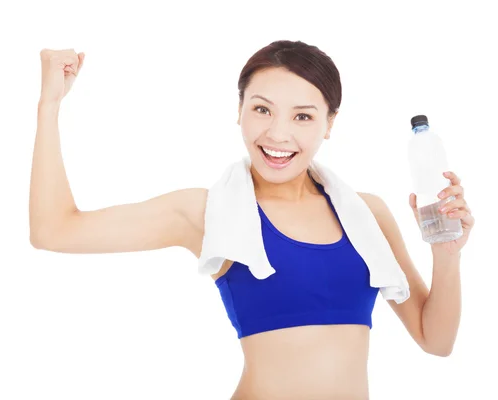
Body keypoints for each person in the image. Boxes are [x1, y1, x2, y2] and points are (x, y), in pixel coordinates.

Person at [29, 40, 475, 399]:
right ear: (239, 109)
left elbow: (435, 341)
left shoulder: (367, 214)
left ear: (329, 123)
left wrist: (446, 255)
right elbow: (54, 230)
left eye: (303, 116)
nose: (278, 134)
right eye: (262, 109)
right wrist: (49, 105)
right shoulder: (206, 214)